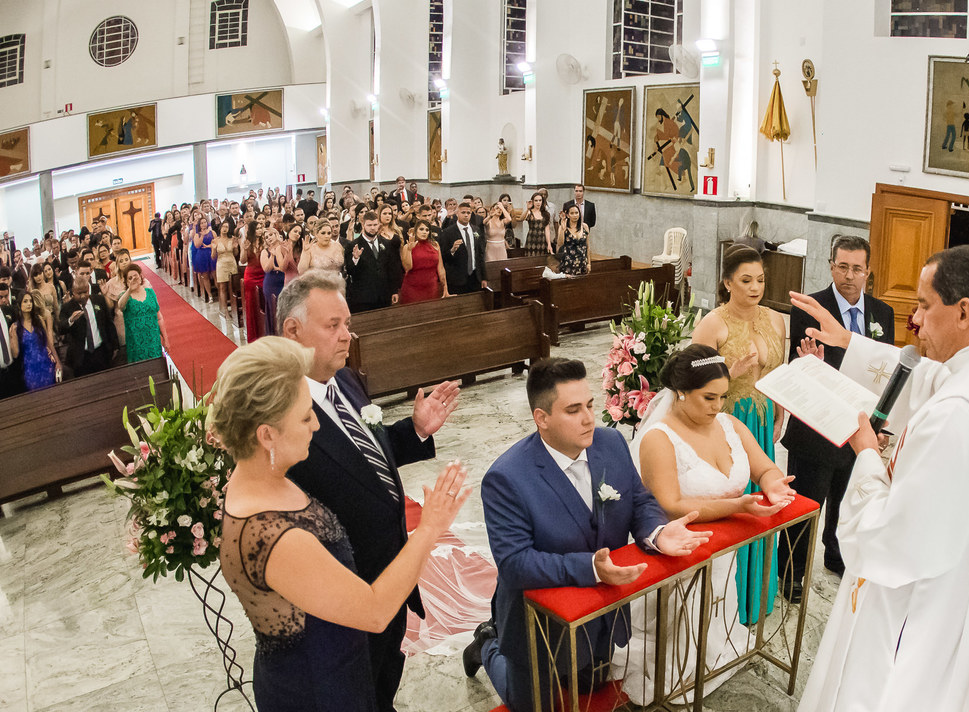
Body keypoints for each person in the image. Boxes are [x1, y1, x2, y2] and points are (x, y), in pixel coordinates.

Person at [793, 245, 969, 712]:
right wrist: (850, 343)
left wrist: (866, 455)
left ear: (963, 311)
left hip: (914, 613)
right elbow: (930, 379)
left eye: (924, 305)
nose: (915, 320)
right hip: (966, 596)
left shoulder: (961, 415)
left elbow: (887, 540)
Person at [211, 336, 468, 712]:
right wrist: (429, 528)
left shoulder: (260, 475)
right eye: (304, 415)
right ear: (266, 435)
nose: (317, 424)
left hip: (335, 663)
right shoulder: (272, 534)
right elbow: (375, 611)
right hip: (319, 690)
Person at [468, 357, 711, 712]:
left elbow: (639, 500)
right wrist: (592, 569)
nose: (588, 418)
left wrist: (657, 533)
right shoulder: (507, 479)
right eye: (573, 410)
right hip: (539, 626)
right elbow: (515, 564)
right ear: (542, 418)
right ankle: (487, 643)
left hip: (601, 616)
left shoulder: (610, 443)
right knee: (531, 704)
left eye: (591, 405)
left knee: (590, 683)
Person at [276, 271, 460, 712]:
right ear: (292, 330)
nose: (347, 335)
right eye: (333, 325)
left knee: (382, 681)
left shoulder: (344, 380)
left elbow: (362, 459)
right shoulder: (278, 415)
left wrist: (413, 431)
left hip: (391, 572)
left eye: (348, 323)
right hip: (345, 596)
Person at [616, 344, 795, 703]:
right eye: (708, 398)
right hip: (678, 553)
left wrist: (774, 482)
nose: (718, 407)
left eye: (723, 397)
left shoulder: (729, 424)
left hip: (721, 547)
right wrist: (735, 506)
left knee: (717, 606)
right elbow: (669, 505)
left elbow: (763, 466)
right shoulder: (659, 438)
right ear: (680, 393)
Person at [777, 236, 894, 603]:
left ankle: (836, 555)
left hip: (858, 430)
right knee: (804, 506)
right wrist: (810, 363)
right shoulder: (811, 308)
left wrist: (882, 427)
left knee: (845, 501)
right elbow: (803, 367)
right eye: (842, 266)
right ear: (831, 266)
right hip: (817, 426)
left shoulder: (883, 314)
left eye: (857, 268)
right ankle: (791, 573)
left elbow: (887, 377)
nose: (849, 275)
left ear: (868, 272)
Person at [691, 244, 786, 624]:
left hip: (763, 418)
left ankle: (757, 596)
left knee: (764, 498)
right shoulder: (714, 322)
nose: (754, 287)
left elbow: (778, 370)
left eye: (760, 280)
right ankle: (728, 603)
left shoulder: (776, 320)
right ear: (727, 282)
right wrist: (728, 369)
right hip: (728, 420)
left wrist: (782, 408)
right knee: (736, 502)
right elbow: (692, 382)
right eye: (745, 280)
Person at [57, 278, 117, 378]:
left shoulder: (99, 300)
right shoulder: (67, 307)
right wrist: (70, 320)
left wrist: (115, 346)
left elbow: (108, 323)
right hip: (80, 357)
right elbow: (61, 329)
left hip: (101, 352)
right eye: (79, 293)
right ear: (73, 292)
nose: (83, 296)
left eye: (85, 292)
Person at [344, 211, 399, 313]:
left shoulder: (386, 243)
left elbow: (392, 269)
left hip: (384, 296)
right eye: (369, 225)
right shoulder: (352, 245)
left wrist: (394, 291)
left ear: (379, 225)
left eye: (375, 225)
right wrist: (355, 259)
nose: (372, 228)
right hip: (363, 298)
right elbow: (350, 271)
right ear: (363, 224)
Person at [8, 291, 58, 391]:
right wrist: (12, 337)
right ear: (19, 305)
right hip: (30, 368)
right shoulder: (15, 327)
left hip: (45, 363)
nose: (29, 304)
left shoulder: (38, 320)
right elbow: (15, 354)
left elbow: (48, 342)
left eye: (30, 301)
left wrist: (57, 362)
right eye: (25, 301)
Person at [118, 264, 168, 363]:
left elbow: (159, 318)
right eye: (130, 278)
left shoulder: (150, 292)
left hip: (153, 340)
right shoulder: (125, 296)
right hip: (136, 343)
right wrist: (129, 290)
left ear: (141, 276)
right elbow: (120, 306)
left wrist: (165, 339)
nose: (133, 280)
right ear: (126, 282)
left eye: (135, 276)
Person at [438, 203, 487, 295]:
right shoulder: (448, 232)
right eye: (463, 212)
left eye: (468, 213)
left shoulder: (476, 230)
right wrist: (452, 250)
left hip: (475, 277)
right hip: (457, 279)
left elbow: (480, 255)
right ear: (457, 214)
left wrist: (483, 277)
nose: (466, 215)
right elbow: (443, 256)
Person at [398, 221, 447, 303]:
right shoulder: (407, 246)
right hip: (412, 289)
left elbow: (441, 268)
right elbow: (407, 267)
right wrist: (410, 249)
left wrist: (445, 288)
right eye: (421, 229)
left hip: (431, 288)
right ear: (416, 231)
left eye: (427, 230)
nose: (424, 232)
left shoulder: (435, 245)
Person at [260, 226, 290, 335]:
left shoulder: (284, 247)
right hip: (271, 283)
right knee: (273, 311)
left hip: (284, 281)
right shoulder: (265, 252)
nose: (269, 238)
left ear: (276, 234)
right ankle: (274, 334)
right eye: (266, 237)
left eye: (271, 235)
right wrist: (272, 256)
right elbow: (266, 269)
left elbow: (286, 266)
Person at [241, 221, 266, 342]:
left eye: (261, 227)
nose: (260, 230)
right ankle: (253, 335)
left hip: (263, 273)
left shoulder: (265, 241)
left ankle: (264, 331)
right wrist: (244, 249)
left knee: (263, 303)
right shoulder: (247, 242)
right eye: (257, 228)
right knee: (252, 304)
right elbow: (242, 260)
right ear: (252, 230)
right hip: (251, 275)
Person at [554, 204, 591, 276]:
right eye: (572, 213)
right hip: (568, 263)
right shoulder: (563, 227)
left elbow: (588, 246)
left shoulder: (584, 226)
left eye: (576, 213)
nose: (575, 215)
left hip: (582, 262)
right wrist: (562, 229)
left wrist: (589, 263)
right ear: (567, 215)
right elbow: (560, 243)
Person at [214, 220, 240, 319]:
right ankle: (225, 310)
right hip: (221, 264)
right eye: (224, 226)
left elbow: (236, 254)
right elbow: (213, 257)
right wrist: (213, 249)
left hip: (231, 263)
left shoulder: (232, 239)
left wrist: (236, 247)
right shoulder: (216, 240)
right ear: (220, 228)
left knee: (232, 287)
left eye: (227, 227)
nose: (225, 229)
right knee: (222, 287)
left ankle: (234, 309)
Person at [482, 202, 511, 280]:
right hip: (491, 249)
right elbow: (483, 222)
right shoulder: (488, 221)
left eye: (500, 209)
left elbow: (509, 219)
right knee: (491, 270)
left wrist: (502, 207)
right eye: (497, 208)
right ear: (492, 209)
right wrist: (490, 215)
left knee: (503, 269)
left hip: (501, 249)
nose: (499, 210)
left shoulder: (503, 221)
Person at [521, 192, 554, 257]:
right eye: (536, 200)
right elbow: (521, 219)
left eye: (540, 200)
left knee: (541, 261)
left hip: (542, 240)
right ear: (533, 201)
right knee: (530, 260)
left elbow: (547, 230)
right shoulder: (530, 212)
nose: (538, 202)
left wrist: (549, 244)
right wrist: (527, 209)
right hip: (531, 240)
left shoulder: (546, 214)